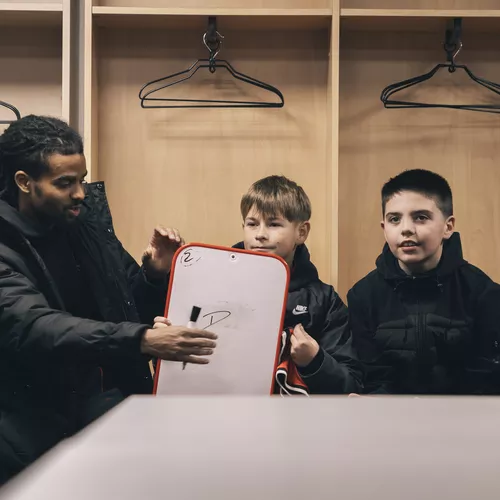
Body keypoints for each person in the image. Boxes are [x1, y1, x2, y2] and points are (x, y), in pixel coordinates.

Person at [0, 115, 217, 483]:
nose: (80, 194)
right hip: (30, 434)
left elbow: (126, 308)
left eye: (81, 180)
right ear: (24, 182)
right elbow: (36, 326)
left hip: (105, 416)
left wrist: (153, 277)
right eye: (64, 183)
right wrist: (142, 340)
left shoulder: (85, 225)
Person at [347, 169, 500, 395]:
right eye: (394, 219)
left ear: (448, 226)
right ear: (384, 228)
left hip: (465, 414)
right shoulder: (363, 295)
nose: (406, 229)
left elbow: (486, 378)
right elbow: (372, 375)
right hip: (388, 414)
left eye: (420, 217)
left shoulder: (482, 292)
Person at [234, 175, 362, 394]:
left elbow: (351, 385)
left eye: (274, 224)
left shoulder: (325, 301)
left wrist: (315, 361)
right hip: (223, 409)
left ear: (301, 232)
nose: (260, 234)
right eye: (252, 224)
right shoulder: (216, 283)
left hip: (297, 414)